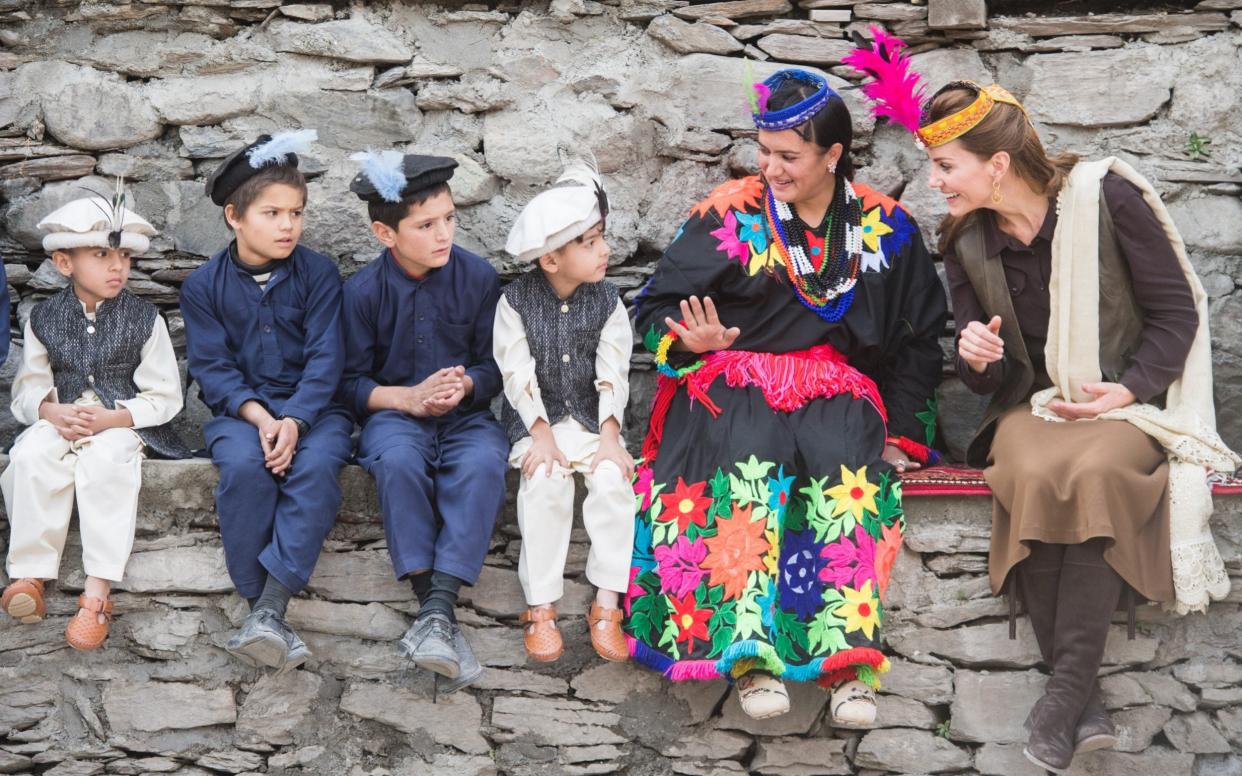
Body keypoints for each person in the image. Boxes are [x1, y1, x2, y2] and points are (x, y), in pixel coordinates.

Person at [910, 71, 1237, 772]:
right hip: (1033, 407)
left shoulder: (1105, 198)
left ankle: (1062, 697)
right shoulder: (965, 243)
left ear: (996, 165)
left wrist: (1125, 393)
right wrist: (976, 355)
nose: (934, 183)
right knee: (1028, 468)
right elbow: (986, 375)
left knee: (1093, 468)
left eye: (945, 167)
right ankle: (1079, 703)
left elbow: (1178, 312)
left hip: (1127, 401)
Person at [623, 67, 947, 723]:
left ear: (832, 155)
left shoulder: (888, 230)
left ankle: (848, 664)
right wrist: (692, 341)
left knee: (848, 470)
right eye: (764, 152)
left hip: (836, 392)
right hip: (731, 383)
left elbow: (919, 342)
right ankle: (747, 654)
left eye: (788, 156)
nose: (770, 167)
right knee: (749, 454)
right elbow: (653, 308)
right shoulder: (728, 216)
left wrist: (902, 437)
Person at [181, 130, 353, 671]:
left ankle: (267, 610)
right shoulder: (203, 287)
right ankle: (265, 609)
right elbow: (213, 369)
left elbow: (328, 358)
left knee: (319, 466)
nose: (288, 226)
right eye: (273, 213)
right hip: (240, 415)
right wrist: (261, 418)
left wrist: (296, 420)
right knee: (243, 469)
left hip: (316, 412)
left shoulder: (319, 274)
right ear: (234, 216)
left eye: (296, 213)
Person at [341, 151, 508, 693]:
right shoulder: (362, 292)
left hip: (466, 420)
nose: (444, 235)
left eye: (450, 219)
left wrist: (466, 385)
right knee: (397, 462)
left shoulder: (479, 278)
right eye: (426, 225)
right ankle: (435, 610)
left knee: (485, 463)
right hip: (396, 417)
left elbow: (494, 365)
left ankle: (435, 619)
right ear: (385, 233)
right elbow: (347, 381)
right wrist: (406, 399)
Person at [1, 189, 189, 650]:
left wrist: (115, 419)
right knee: (29, 456)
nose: (117, 266)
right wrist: (47, 410)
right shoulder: (44, 316)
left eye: (123, 255)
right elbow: (28, 385)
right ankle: (29, 576)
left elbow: (165, 395)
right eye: (101, 255)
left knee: (107, 465)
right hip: (62, 416)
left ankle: (97, 592)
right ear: (65, 264)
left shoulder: (145, 318)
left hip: (123, 421)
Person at [496, 156, 635, 664]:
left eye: (601, 237)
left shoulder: (609, 301)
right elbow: (516, 372)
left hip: (595, 422)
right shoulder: (514, 302)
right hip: (540, 423)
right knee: (546, 482)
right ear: (551, 259)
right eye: (590, 243)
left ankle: (606, 604)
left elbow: (613, 370)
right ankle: (542, 608)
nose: (605, 251)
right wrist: (541, 436)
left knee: (614, 485)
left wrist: (610, 438)